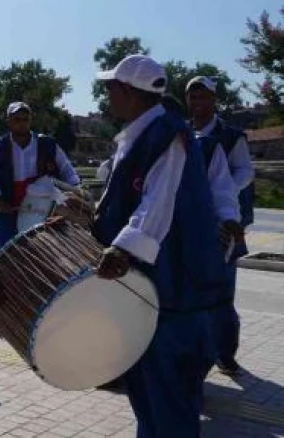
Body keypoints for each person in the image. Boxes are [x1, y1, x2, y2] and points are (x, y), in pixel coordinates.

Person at [94, 55, 229, 437]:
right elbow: (130, 202)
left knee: (170, 401)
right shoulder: (139, 135)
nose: (107, 94)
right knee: (147, 395)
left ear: (129, 91)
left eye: (111, 87)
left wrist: (123, 249)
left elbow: (159, 201)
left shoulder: (166, 133)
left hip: (174, 294)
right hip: (150, 292)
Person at [187, 75, 254, 375]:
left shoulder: (231, 135)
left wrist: (223, 194)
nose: (198, 103)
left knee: (222, 292)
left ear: (215, 100)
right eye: (193, 97)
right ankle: (197, 352)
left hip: (224, 224)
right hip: (191, 227)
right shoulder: (182, 133)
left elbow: (245, 172)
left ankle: (225, 353)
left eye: (204, 97)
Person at [0, 101, 79, 251]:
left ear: (31, 120)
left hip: (43, 210)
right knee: (5, 253)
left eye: (25, 119)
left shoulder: (47, 144)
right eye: (17, 119)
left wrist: (75, 191)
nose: (21, 124)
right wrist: (0, 201)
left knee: (41, 254)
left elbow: (67, 171)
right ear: (8, 121)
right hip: (10, 210)